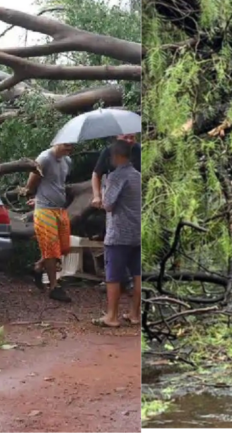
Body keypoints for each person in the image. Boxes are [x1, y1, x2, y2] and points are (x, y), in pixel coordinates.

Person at [93, 139, 142, 327]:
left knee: (113, 275)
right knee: (138, 274)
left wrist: (103, 192)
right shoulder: (137, 175)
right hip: (137, 232)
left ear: (116, 157)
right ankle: (134, 313)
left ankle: (111, 316)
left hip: (119, 233)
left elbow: (108, 205)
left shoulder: (116, 176)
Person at [21, 142, 74, 303]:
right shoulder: (44, 158)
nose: (69, 149)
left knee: (64, 247)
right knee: (51, 248)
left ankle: (37, 266)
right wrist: (34, 196)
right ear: (56, 143)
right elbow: (31, 184)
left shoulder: (67, 161)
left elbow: (57, 183)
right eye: (66, 145)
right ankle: (54, 287)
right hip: (44, 209)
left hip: (59, 208)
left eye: (71, 146)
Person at [91, 133, 140, 209]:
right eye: (125, 137)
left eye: (132, 137)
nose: (129, 141)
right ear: (118, 137)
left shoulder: (139, 150)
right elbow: (96, 174)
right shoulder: (108, 152)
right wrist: (96, 196)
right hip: (114, 196)